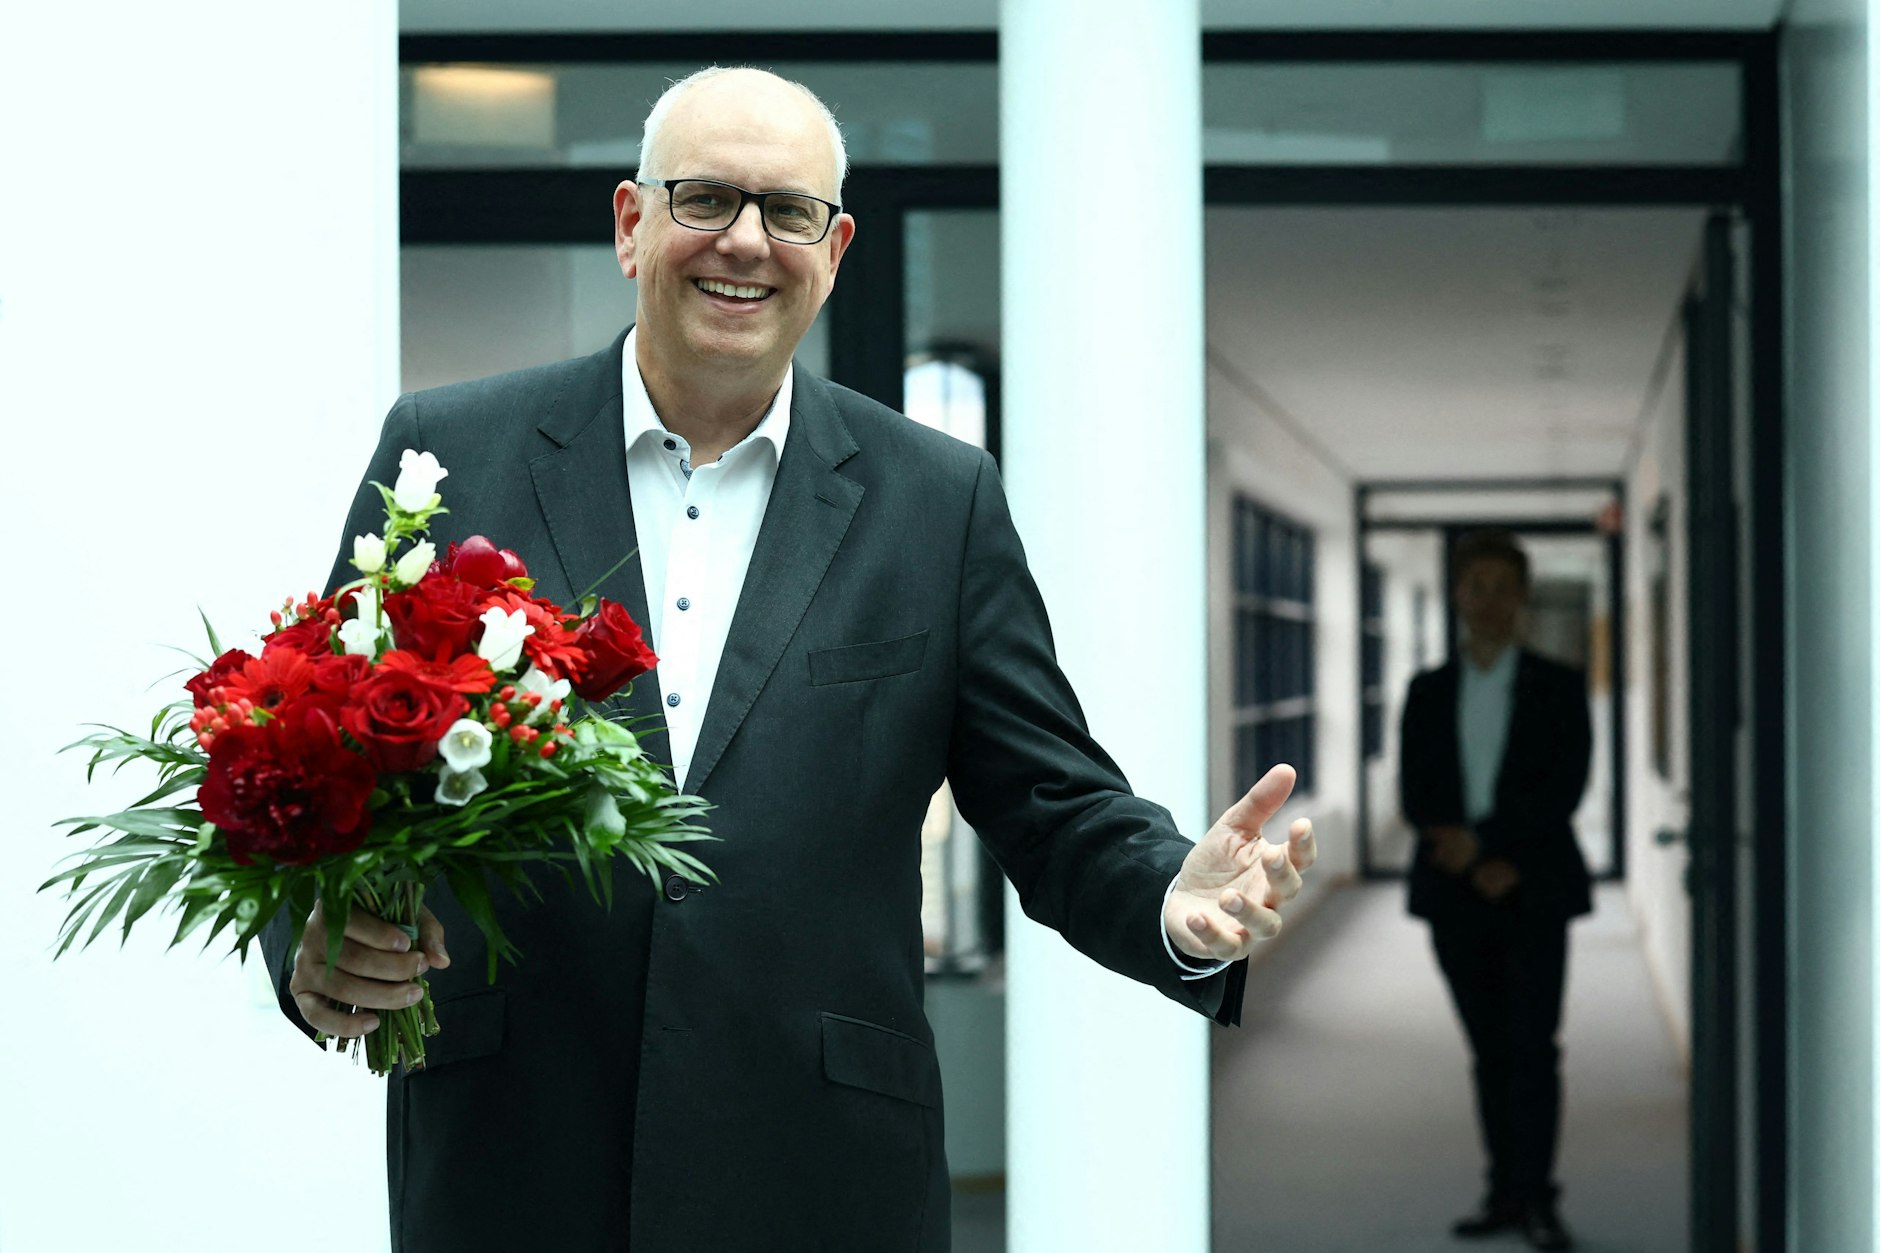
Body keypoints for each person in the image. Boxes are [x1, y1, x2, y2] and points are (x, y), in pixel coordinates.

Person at [261, 66, 1317, 1253]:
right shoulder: (447, 451)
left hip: (821, 1169)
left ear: (836, 245)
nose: (746, 242)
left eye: (788, 211)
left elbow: (1051, 800)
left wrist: (1171, 894)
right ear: (630, 223)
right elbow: (322, 764)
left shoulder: (935, 499)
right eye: (704, 198)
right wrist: (313, 939)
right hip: (512, 1156)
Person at [1399, 529, 1593, 1252]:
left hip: (1534, 885)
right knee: (1488, 1049)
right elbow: (1415, 790)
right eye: (1474, 585)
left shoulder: (1558, 684)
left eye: (1501, 586)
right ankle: (1503, 1192)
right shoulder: (1427, 690)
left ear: (1522, 597)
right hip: (1454, 891)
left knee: (1534, 1047)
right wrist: (1465, 849)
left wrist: (1493, 845)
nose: (1487, 599)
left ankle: (1540, 1198)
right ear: (1458, 596)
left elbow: (1563, 788)